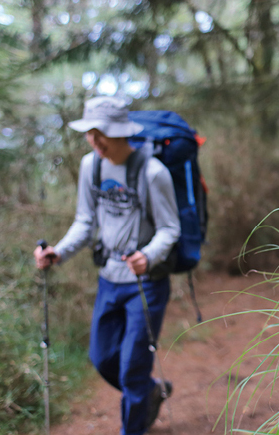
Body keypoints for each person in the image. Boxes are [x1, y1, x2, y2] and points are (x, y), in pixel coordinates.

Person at [34, 96, 180, 435]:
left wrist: (149, 255)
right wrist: (59, 252)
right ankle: (150, 390)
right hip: (109, 279)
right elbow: (85, 221)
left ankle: (133, 427)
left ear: (121, 133)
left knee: (132, 368)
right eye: (90, 133)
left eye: (102, 133)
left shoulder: (153, 172)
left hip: (146, 283)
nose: (95, 141)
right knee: (101, 358)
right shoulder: (92, 167)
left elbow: (170, 228)